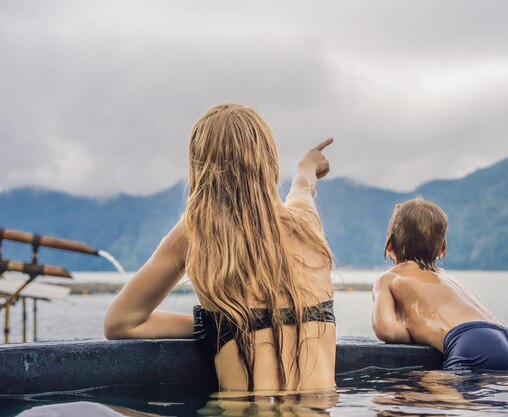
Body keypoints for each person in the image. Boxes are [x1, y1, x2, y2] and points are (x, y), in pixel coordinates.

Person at [104, 104, 336, 392]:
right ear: (270, 163)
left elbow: (121, 322)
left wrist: (213, 326)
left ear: (200, 169)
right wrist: (306, 167)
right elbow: (302, 189)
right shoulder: (308, 227)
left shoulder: (199, 231)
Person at [372, 198, 508, 372]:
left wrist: (413, 332)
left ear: (389, 246)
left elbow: (386, 330)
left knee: (421, 389)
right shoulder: (448, 279)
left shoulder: (389, 278)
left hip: (470, 342)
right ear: (443, 248)